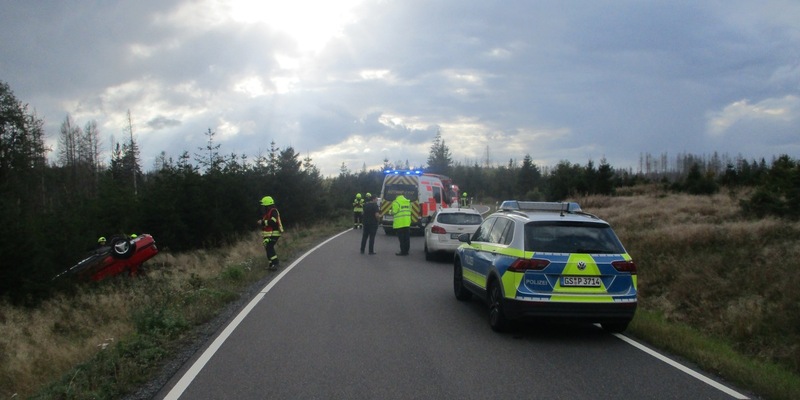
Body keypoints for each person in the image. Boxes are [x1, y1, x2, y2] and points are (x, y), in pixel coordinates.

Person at [257, 195, 284, 270]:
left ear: (267, 205)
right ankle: (271, 264)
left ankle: (276, 263)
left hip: (275, 232)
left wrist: (262, 222)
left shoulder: (274, 211)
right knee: (267, 247)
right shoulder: (268, 212)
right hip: (269, 233)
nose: (263, 207)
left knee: (269, 247)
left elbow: (272, 222)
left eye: (264, 205)